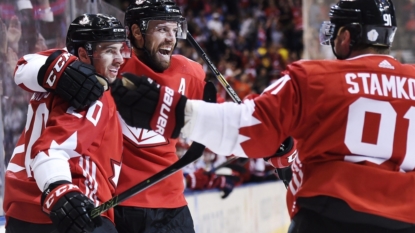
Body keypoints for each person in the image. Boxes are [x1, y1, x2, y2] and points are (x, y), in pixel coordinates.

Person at [111, 0, 415, 232]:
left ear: (346, 37)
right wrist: (287, 158)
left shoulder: (315, 77)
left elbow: (249, 128)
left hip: (330, 215)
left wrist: (174, 112)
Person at [18, 1, 296, 232]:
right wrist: (58, 72)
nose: (171, 38)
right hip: (121, 206)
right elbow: (26, 66)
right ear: (137, 33)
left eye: (174, 29)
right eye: (162, 29)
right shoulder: (114, 63)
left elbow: (221, 121)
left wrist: (273, 144)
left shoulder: (190, 73)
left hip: (172, 208)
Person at [3, 13, 130, 233]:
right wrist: (59, 190)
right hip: (71, 210)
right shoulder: (92, 92)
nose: (120, 59)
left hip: (20, 211)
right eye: (110, 50)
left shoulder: (54, 75)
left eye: (120, 49)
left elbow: (24, 66)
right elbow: (51, 149)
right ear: (83, 53)